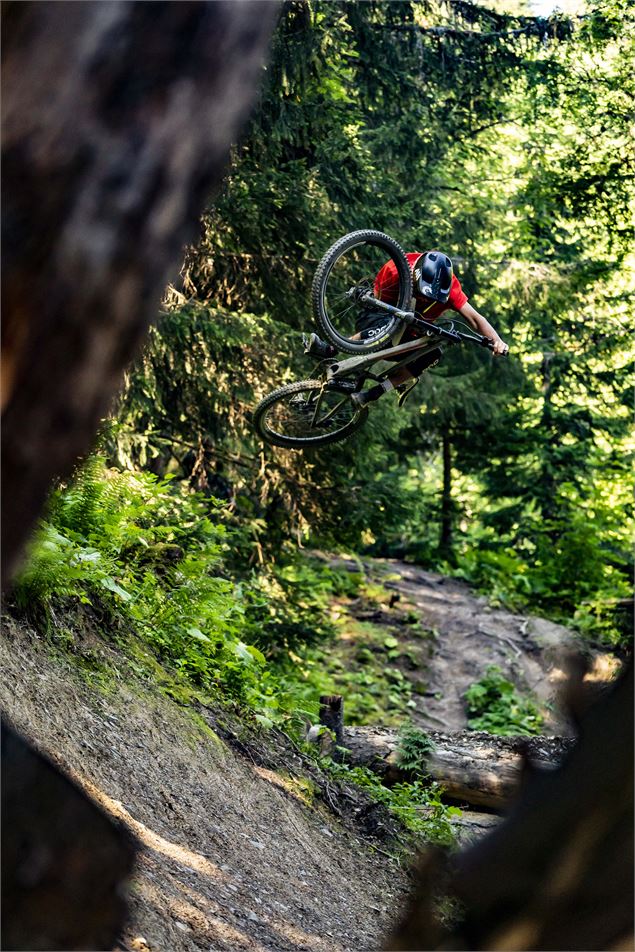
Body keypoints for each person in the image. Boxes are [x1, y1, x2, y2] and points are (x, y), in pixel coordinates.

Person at [307, 250, 508, 407]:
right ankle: (329, 349)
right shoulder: (395, 271)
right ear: (414, 275)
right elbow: (377, 304)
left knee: (433, 353)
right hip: (377, 322)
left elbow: (475, 318)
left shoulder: (451, 290)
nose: (427, 299)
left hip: (409, 335)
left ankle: (373, 394)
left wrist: (496, 340)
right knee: (388, 326)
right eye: (424, 294)